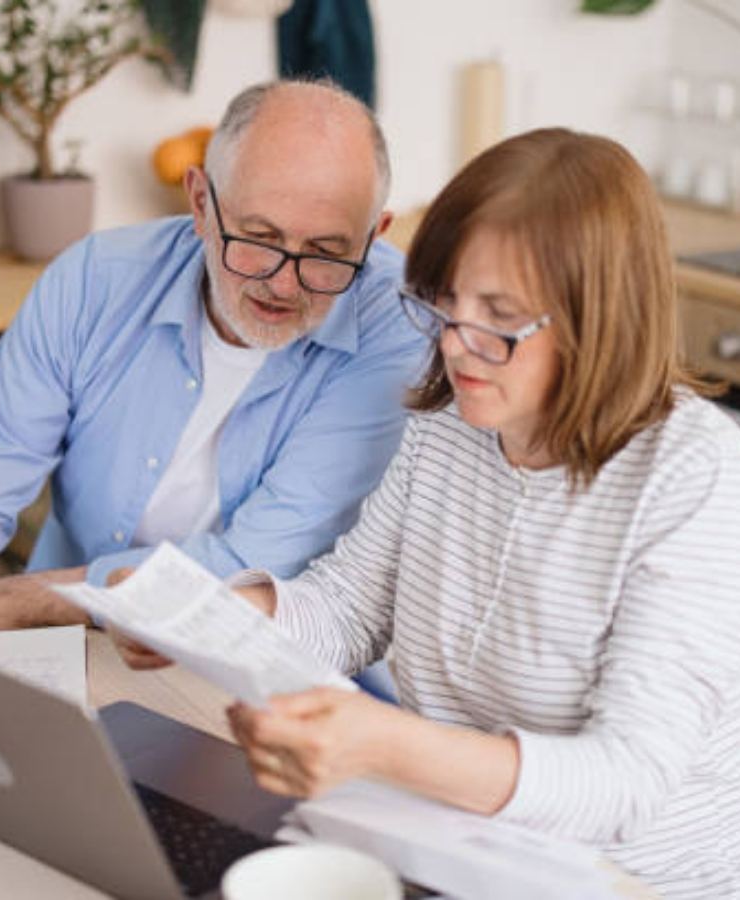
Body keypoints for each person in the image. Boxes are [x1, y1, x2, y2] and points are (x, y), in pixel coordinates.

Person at [122, 129, 740, 897]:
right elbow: (350, 609)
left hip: (631, 885)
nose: (454, 346)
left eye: (498, 318)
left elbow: (624, 783)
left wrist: (384, 743)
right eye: (444, 305)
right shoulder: (452, 424)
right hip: (453, 857)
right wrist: (205, 616)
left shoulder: (696, 476)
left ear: (598, 318)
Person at [0, 79, 426, 734]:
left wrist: (21, 600)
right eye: (259, 238)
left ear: (374, 234)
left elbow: (252, 569)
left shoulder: (398, 331)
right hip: (68, 657)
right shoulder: (94, 281)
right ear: (200, 202)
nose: (284, 284)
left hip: (260, 681)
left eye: (326, 254)